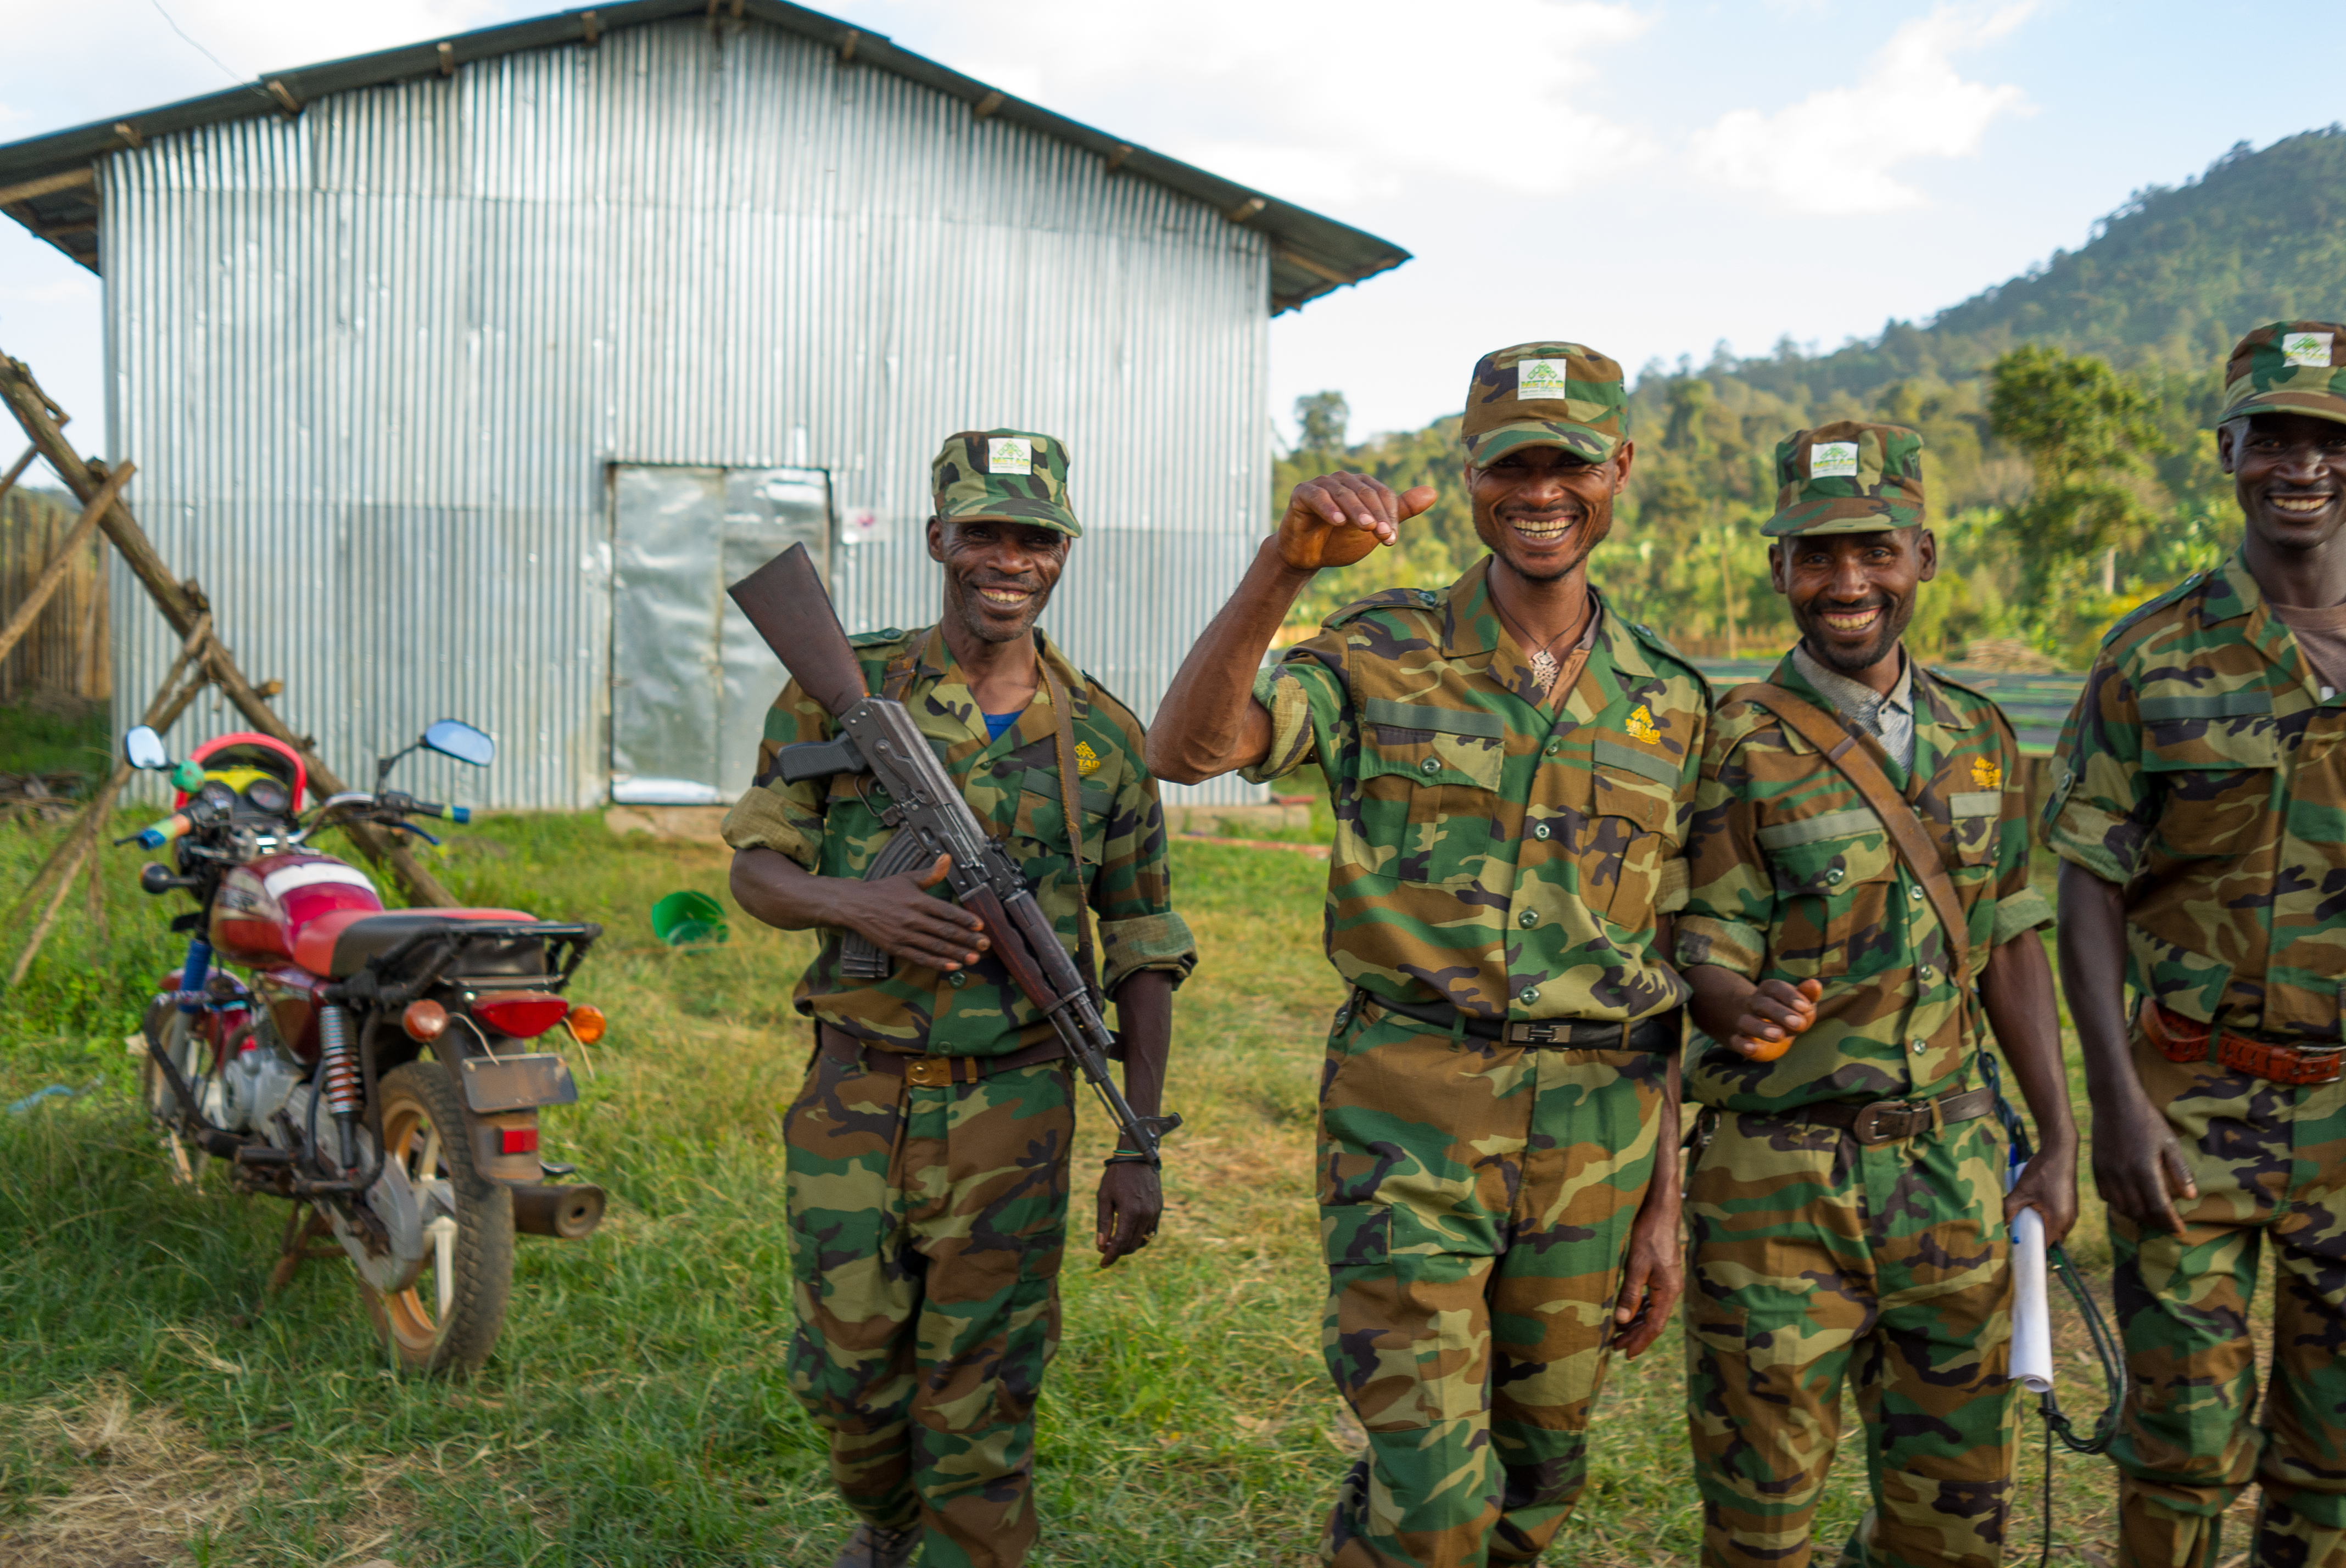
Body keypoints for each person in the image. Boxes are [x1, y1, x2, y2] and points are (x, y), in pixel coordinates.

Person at [1149, 342, 1703, 1568]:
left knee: (1541, 1474)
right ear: (1468, 474)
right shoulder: (1376, 649)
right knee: (1438, 1496)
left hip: (1597, 1141)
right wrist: (1281, 569)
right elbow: (1186, 749)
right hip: (1411, 1124)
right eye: (1512, 462)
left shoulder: (1671, 702)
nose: (1540, 490)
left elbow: (1662, 961)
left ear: (1619, 468)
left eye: (1569, 462)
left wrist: (1664, 1202)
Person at [723, 429, 1197, 1568]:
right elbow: (755, 867)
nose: (1008, 559)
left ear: (1063, 554)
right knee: (845, 1380)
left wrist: (1138, 1138)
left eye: (1034, 538)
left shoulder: (1103, 741)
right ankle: (887, 1521)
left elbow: (1142, 945)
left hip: (1016, 1110)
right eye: (984, 532)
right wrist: (857, 907)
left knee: (981, 1412)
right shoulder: (844, 689)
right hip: (854, 1098)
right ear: (940, 539)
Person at [1672, 421, 2078, 1568]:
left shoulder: (1981, 739)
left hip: (1951, 1181)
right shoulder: (1732, 744)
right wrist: (1720, 996)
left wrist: (2056, 1136)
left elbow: (2006, 942)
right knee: (1761, 1528)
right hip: (1775, 1187)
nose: (1847, 582)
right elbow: (1693, 939)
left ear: (1923, 555)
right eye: (1817, 555)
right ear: (1779, 570)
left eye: (1875, 552)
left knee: (1955, 1525)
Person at [2046, 320, 2346, 1568]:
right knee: (2179, 1453)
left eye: (2327, 439)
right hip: (2187, 1103)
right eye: (2271, 437)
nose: (2302, 467)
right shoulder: (2152, 653)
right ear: (2227, 449)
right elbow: (2087, 883)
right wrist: (2115, 1101)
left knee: (2333, 1465)